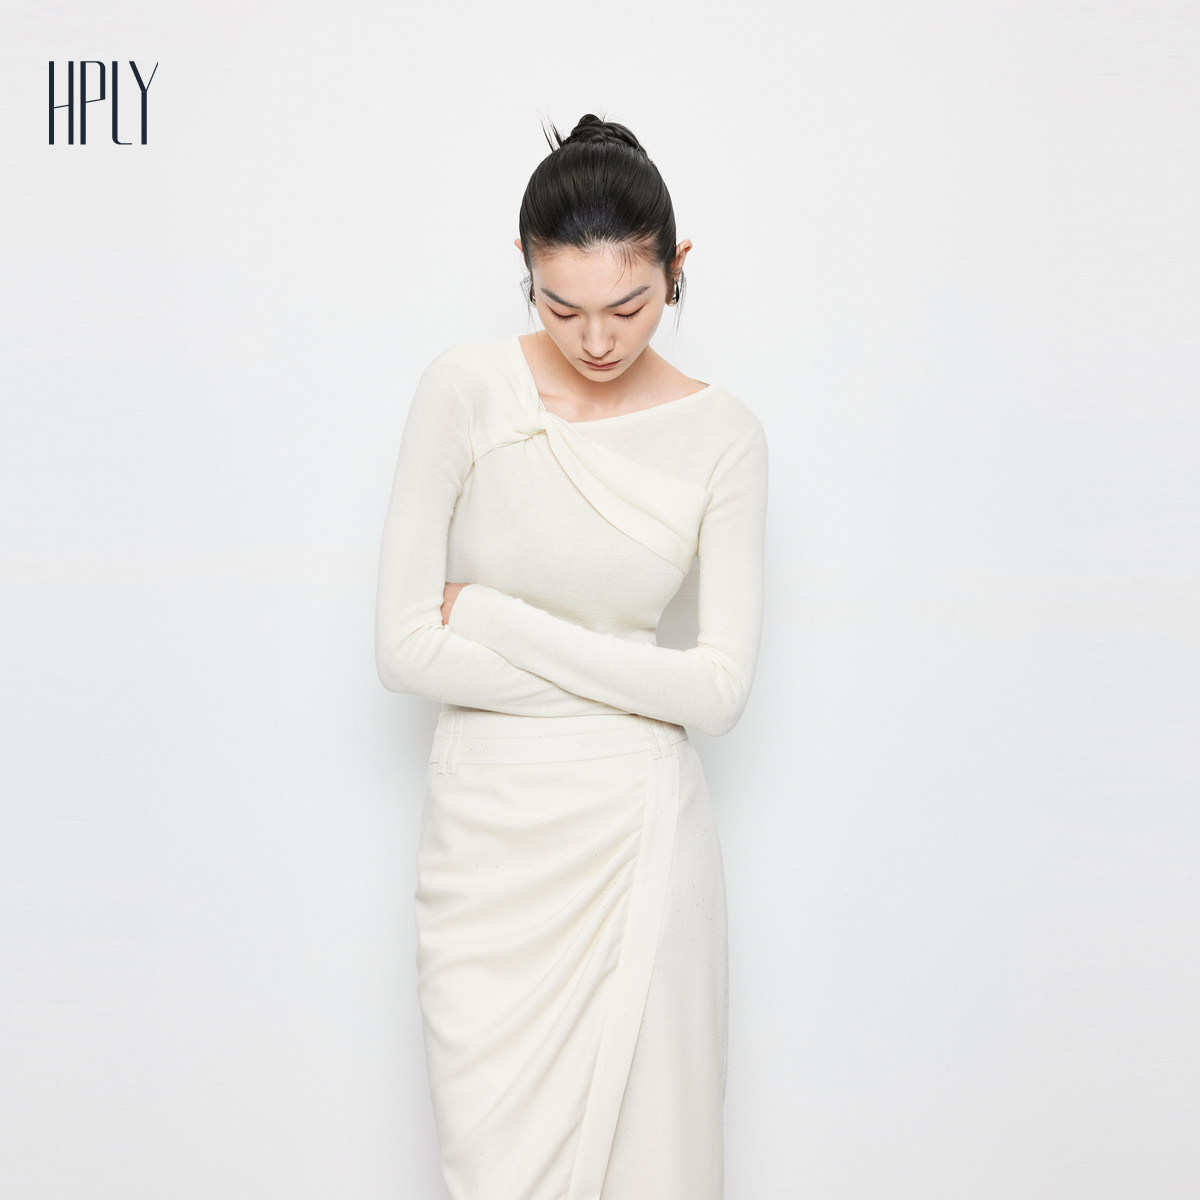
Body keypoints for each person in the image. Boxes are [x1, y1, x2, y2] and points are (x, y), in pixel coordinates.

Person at [374, 112, 769, 1200]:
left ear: (677, 268)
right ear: (525, 267)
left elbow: (720, 691)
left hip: (640, 835)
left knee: (657, 1158)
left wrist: (491, 617)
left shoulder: (725, 435)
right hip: (486, 843)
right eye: (561, 306)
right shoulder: (464, 389)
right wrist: (634, 688)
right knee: (496, 1163)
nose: (596, 340)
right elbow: (404, 650)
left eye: (630, 306)